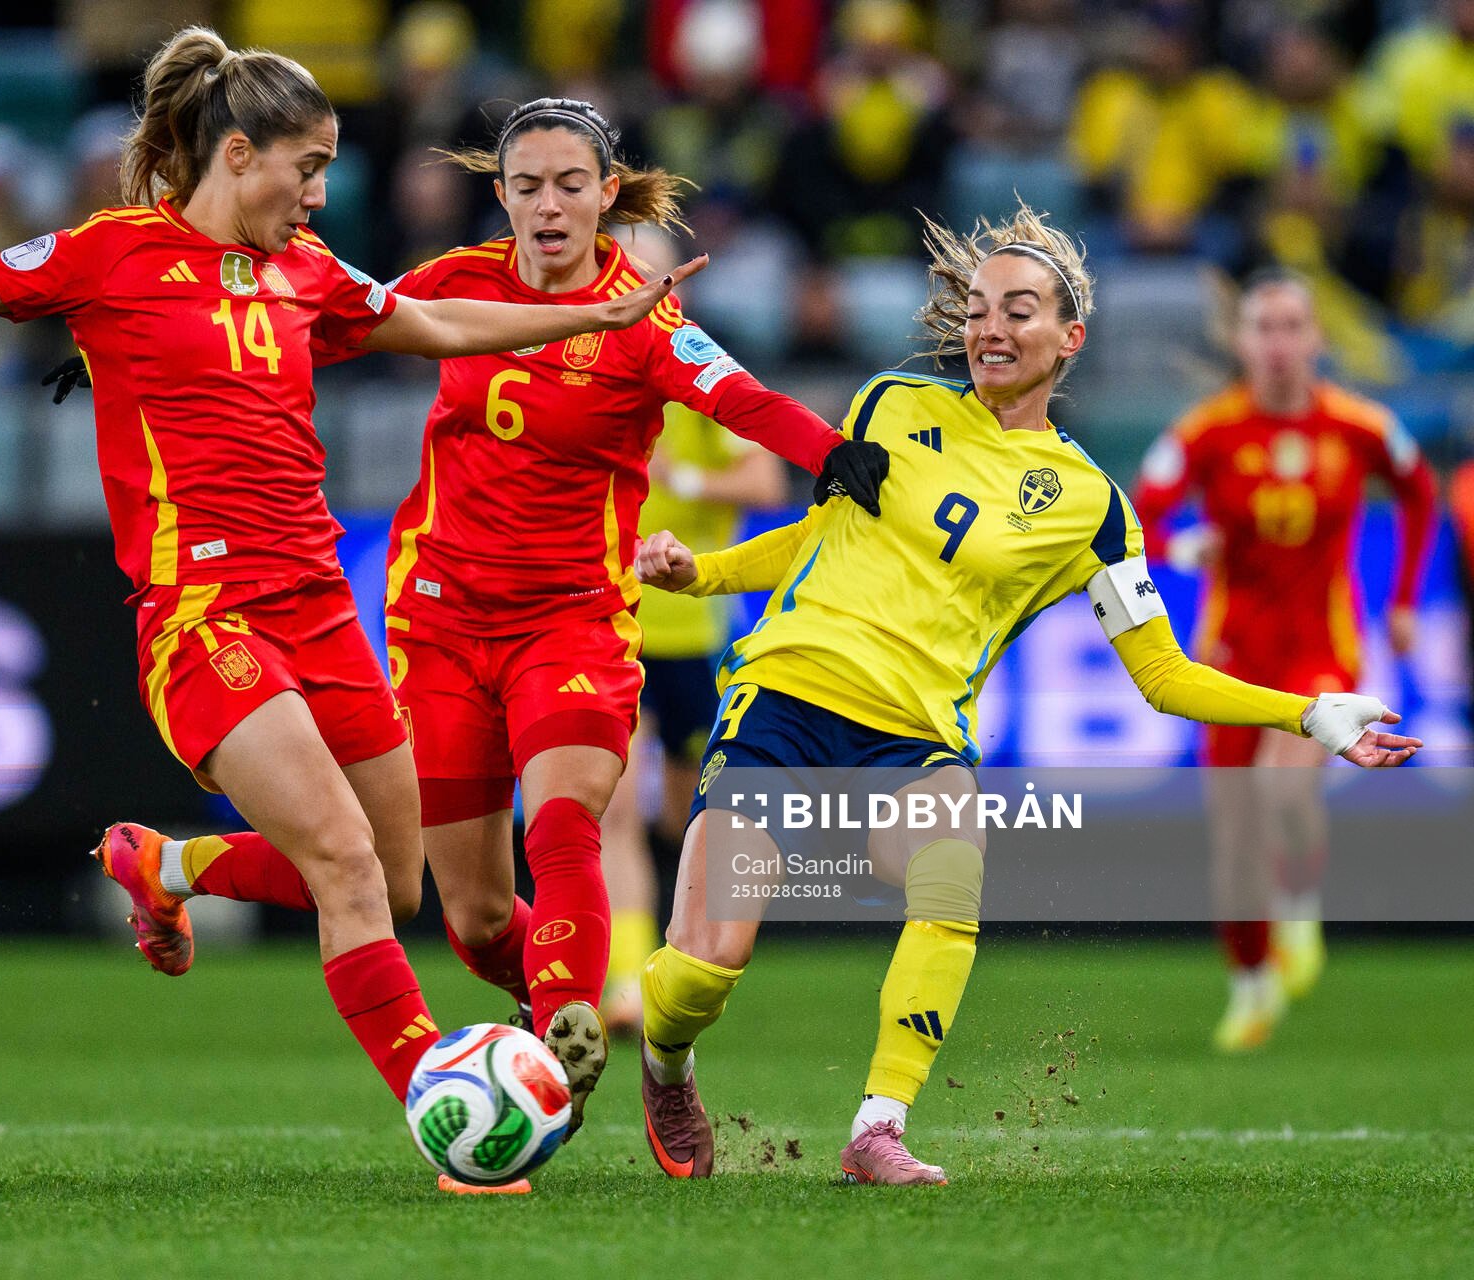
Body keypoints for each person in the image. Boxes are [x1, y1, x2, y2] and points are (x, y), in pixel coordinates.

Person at [0, 27, 700, 1115]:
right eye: (308, 167)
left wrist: (592, 313)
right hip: (206, 616)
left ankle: (170, 867)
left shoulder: (305, 270)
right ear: (238, 154)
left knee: (394, 882)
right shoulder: (110, 255)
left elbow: (432, 321)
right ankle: (442, 1104)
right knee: (343, 863)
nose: (321, 195)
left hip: (320, 609)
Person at [628, 203, 1421, 1185]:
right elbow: (818, 537)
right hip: (786, 697)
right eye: (977, 309)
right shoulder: (890, 403)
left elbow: (1163, 675)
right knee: (703, 969)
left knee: (951, 872)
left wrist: (1306, 713)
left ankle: (878, 1126)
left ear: (1069, 336)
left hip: (915, 733)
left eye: (1018, 310)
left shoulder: (1091, 506)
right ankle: (666, 1060)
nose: (990, 328)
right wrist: (700, 574)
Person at [371, 99, 848, 1141]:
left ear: (606, 192)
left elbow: (743, 399)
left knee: (568, 821)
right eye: (527, 186)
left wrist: (837, 455)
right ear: (503, 196)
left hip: (571, 621)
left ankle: (570, 1053)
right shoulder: (454, 281)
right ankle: (559, 1009)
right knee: (475, 918)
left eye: (570, 184)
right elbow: (326, 322)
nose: (549, 206)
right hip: (441, 621)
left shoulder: (642, 317)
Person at [1134, 271, 1436, 1051]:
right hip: (1231, 658)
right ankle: (1251, 983)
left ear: (1316, 338)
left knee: (1281, 786)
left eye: (1291, 326)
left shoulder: (1359, 426)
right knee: (1234, 834)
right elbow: (1139, 518)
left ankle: (1298, 899)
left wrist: (1404, 600)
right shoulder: (1207, 432)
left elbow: (1419, 492)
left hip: (1321, 649)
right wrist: (1180, 547)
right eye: (1263, 327)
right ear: (1241, 342)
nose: (1277, 343)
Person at [596, 224, 789, 1037]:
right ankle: (626, 984)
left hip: (693, 629)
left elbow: (768, 477)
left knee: (684, 819)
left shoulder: (698, 370)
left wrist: (684, 476)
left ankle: (683, 958)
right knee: (611, 812)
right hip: (608, 624)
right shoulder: (578, 361)